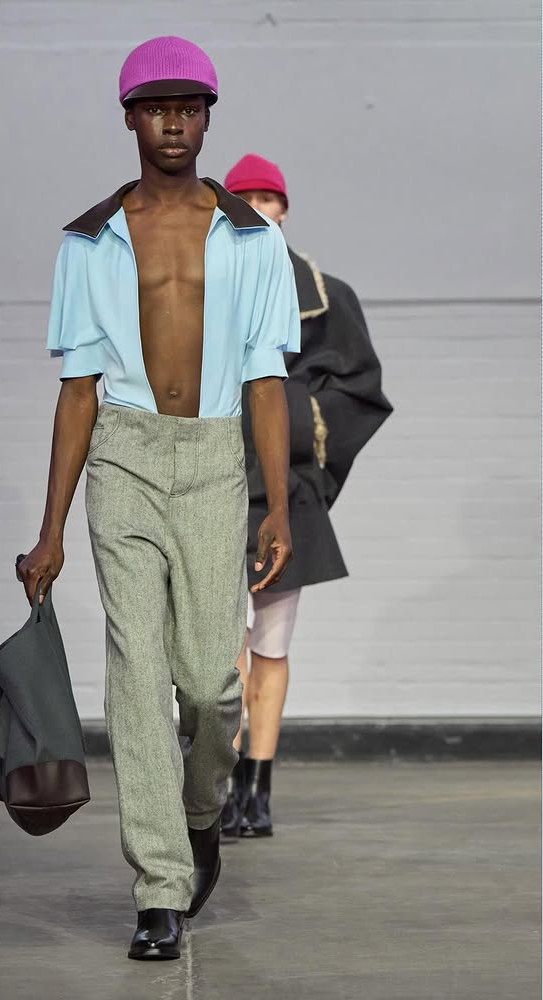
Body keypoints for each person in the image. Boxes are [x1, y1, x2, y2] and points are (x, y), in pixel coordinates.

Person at [17, 43, 300, 960]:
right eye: (155, 107)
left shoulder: (254, 240)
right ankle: (159, 890)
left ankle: (199, 810)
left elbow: (266, 378)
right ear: (130, 118)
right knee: (137, 675)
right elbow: (78, 390)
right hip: (125, 456)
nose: (173, 121)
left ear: (207, 117)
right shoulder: (89, 240)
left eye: (189, 107)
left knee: (211, 685)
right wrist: (51, 530)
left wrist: (277, 505)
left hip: (215, 456)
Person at [219, 154, 393, 840]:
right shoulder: (196, 287)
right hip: (214, 487)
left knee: (270, 646)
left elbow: (359, 391)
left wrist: (292, 426)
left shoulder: (326, 297)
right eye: (243, 197)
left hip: (284, 492)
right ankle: (220, 782)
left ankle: (256, 787)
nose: (258, 207)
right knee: (220, 653)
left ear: (284, 208)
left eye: (267, 197)